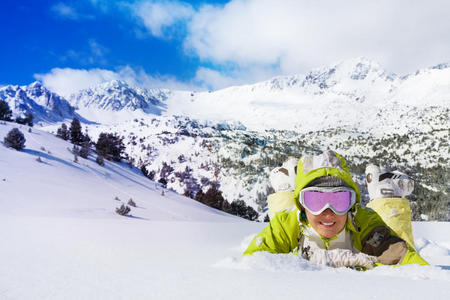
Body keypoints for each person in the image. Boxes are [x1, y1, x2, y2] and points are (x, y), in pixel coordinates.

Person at [243, 150, 428, 268]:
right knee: (284, 209)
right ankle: (287, 188)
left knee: (397, 231)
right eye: (315, 200)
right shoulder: (286, 223)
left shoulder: (364, 223)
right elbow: (252, 264)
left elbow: (403, 261)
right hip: (295, 221)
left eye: (339, 200)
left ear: (351, 205)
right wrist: (336, 259)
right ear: (302, 205)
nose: (328, 211)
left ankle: (387, 196)